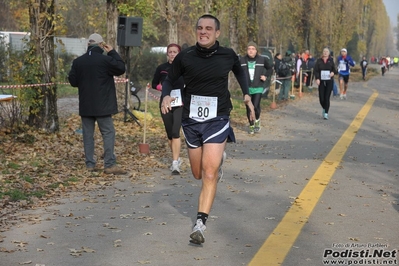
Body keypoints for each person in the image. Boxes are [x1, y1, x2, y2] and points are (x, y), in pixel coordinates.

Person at [160, 14, 255, 245]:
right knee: (197, 173)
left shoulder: (228, 55)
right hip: (192, 120)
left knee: (210, 174)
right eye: (200, 28)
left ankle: (200, 224)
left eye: (208, 29)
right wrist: (165, 96)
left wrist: (246, 94)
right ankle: (217, 159)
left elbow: (240, 72)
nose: (203, 32)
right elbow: (170, 80)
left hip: (218, 117)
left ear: (217, 33)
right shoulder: (185, 56)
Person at [68, 33, 127, 174]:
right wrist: (112, 51)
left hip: (86, 105)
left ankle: (90, 164)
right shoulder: (105, 60)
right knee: (108, 133)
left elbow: (73, 81)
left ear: (88, 45)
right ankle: (109, 164)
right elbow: (121, 68)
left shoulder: (78, 62)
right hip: (103, 105)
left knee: (88, 135)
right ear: (101, 45)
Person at [151, 44, 185, 174]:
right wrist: (162, 89)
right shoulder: (162, 68)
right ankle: (175, 157)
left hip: (180, 102)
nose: (172, 54)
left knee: (176, 132)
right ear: (167, 54)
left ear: (179, 53)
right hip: (165, 102)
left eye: (175, 52)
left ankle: (175, 163)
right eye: (170, 52)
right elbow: (154, 83)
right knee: (170, 134)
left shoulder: (184, 68)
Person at [240, 41, 272, 134]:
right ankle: (251, 125)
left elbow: (270, 68)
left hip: (258, 86)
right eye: (249, 49)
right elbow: (237, 71)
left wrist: (265, 76)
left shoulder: (262, 59)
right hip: (247, 88)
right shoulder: (242, 60)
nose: (251, 51)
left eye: (253, 49)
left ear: (256, 50)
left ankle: (257, 120)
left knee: (255, 106)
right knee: (248, 108)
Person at [314, 47, 336, 120]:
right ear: (322, 53)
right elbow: (316, 70)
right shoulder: (319, 61)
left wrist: (333, 73)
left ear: (329, 53)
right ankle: (324, 108)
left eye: (327, 51)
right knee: (321, 98)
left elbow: (334, 69)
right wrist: (317, 78)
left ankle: (326, 113)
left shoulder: (331, 61)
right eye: (324, 51)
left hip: (329, 81)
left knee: (327, 97)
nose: (325, 53)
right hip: (321, 81)